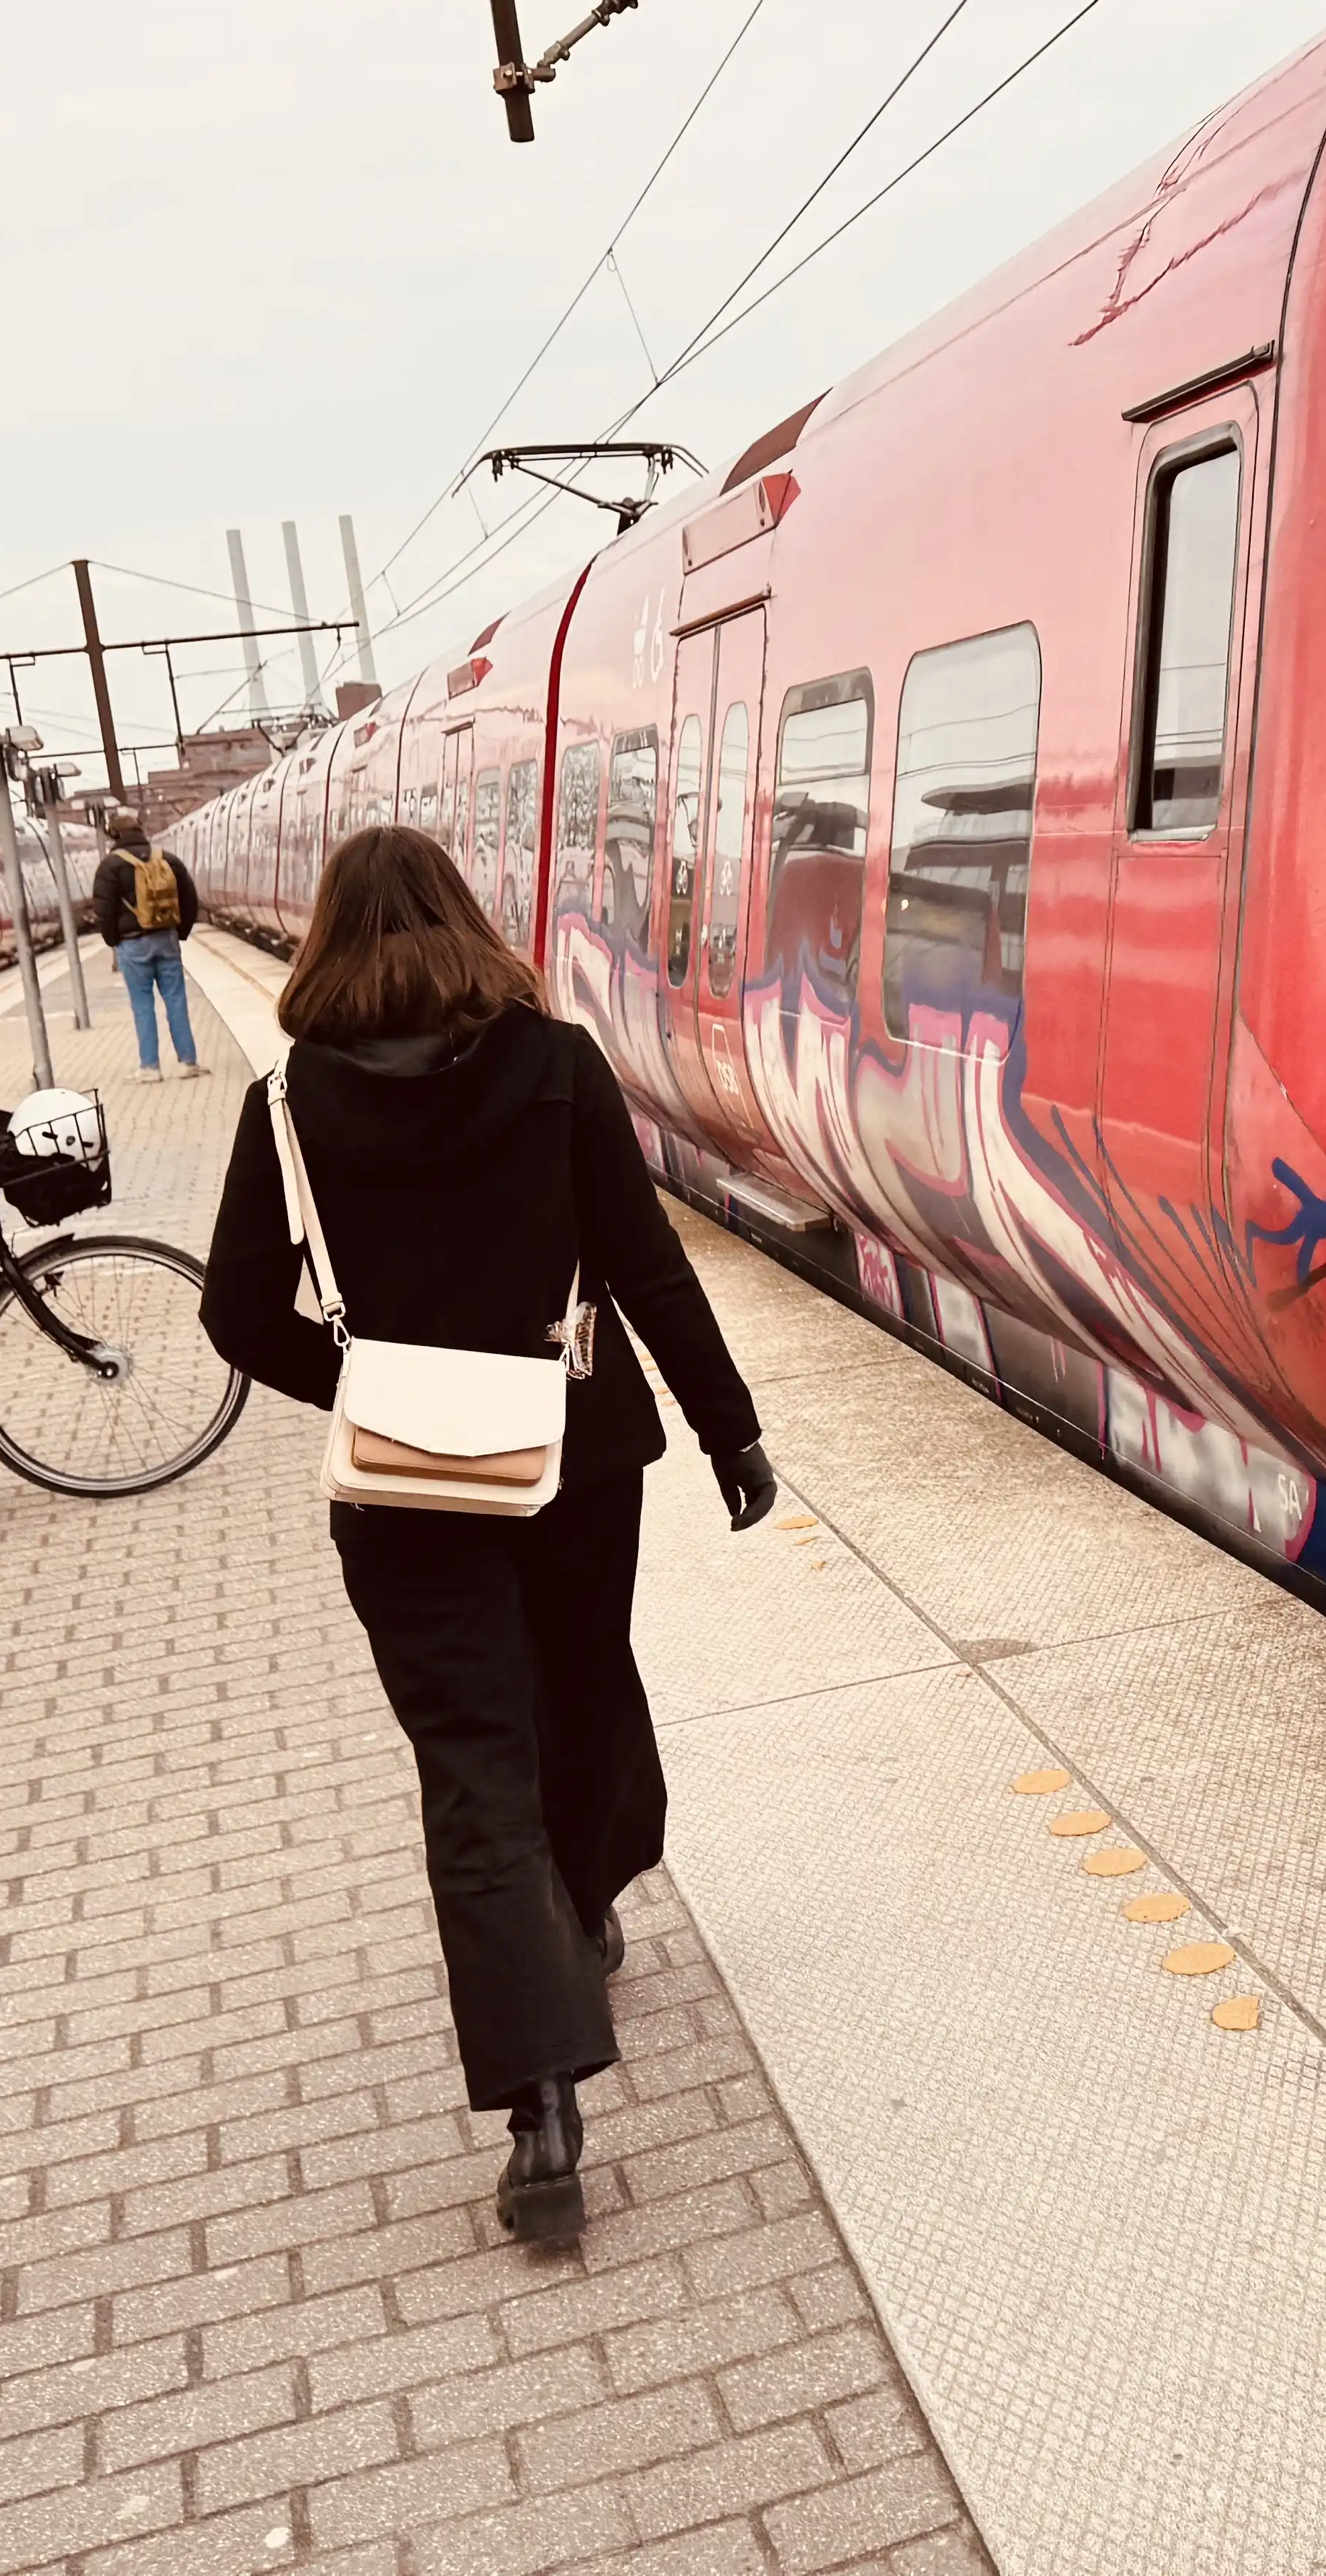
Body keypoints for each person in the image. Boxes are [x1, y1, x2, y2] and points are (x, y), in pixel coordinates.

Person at [199, 825, 775, 2248]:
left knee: (474, 1763)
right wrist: (730, 1431)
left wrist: (381, 1380)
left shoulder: (290, 1105)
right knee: (583, 1687)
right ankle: (578, 1909)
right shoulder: (558, 1067)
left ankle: (543, 2113)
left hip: (405, 1482)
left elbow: (237, 1315)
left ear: (327, 941)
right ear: (466, 923)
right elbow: (644, 1262)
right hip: (580, 1449)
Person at [93, 815, 203, 1081]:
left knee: (143, 1005)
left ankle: (150, 1067)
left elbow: (103, 909)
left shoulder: (110, 866)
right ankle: (188, 1062)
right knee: (176, 1000)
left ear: (114, 836)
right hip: (166, 938)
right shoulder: (167, 858)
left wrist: (112, 940)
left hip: (132, 943)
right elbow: (189, 896)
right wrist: (181, 932)